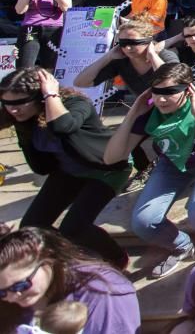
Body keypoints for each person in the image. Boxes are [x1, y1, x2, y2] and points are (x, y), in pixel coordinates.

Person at [103, 63, 195, 278]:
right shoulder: (151, 111)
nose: (161, 99)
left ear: (188, 90)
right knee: (143, 222)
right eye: (156, 92)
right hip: (174, 162)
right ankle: (182, 245)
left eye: (169, 92)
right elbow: (112, 157)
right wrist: (133, 114)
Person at [0, 67, 130, 267]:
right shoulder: (22, 118)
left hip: (106, 168)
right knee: (33, 226)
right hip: (69, 171)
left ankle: (116, 257)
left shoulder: (77, 103)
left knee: (74, 227)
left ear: (40, 96)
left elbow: (62, 127)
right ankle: (68, 258)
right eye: (7, 103)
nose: (13, 109)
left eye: (19, 103)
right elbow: (41, 167)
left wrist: (51, 94)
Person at [74, 18, 179, 188]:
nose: (127, 48)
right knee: (126, 134)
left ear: (148, 41)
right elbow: (81, 82)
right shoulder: (122, 61)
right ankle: (144, 170)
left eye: (133, 42)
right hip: (148, 109)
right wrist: (108, 56)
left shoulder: (165, 55)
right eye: (123, 43)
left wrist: (152, 56)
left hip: (175, 109)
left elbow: (174, 82)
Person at [0, 227, 140, 334]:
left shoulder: (104, 294)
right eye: (2, 292)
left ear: (46, 258)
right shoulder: (11, 299)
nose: (12, 297)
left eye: (21, 285)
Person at [14, 0, 72, 70]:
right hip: (30, 29)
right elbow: (20, 10)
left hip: (54, 30)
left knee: (50, 67)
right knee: (24, 66)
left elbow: (66, 9)